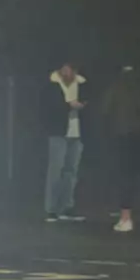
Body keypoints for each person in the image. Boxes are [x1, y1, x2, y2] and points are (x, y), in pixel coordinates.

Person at [101, 66, 140, 232]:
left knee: (126, 178)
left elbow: (106, 110)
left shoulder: (118, 88)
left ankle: (126, 218)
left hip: (126, 138)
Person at [44, 63, 88, 222]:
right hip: (58, 131)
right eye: (63, 69)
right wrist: (68, 106)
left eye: (69, 69)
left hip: (77, 132)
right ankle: (51, 209)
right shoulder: (52, 84)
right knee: (55, 170)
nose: (66, 72)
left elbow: (90, 103)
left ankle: (67, 207)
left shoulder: (82, 84)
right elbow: (48, 107)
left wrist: (82, 105)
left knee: (71, 171)